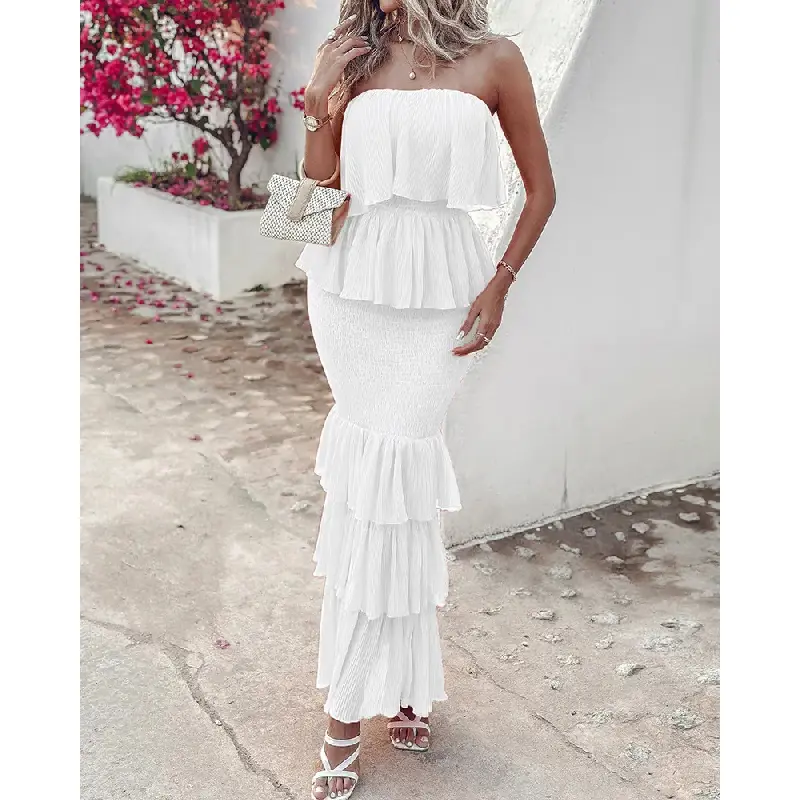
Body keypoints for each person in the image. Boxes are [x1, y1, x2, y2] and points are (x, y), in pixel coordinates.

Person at [296, 2, 555, 797]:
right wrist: (319, 106)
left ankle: (381, 686)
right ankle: (354, 705)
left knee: (400, 477)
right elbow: (309, 201)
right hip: (348, 289)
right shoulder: (348, 50)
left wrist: (500, 284)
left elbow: (542, 191)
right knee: (369, 489)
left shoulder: (497, 58)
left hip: (444, 287)